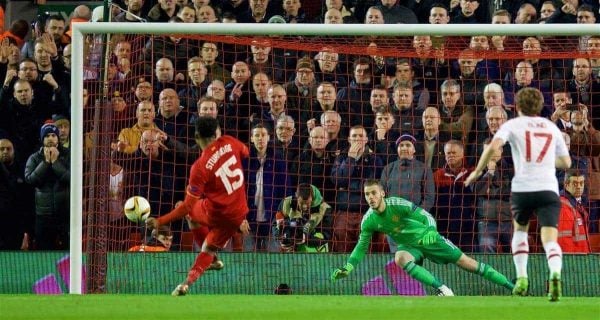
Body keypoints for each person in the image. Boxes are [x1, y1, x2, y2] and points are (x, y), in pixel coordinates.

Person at [465, 87, 572, 301]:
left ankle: (522, 277)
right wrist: (544, 161)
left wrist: (477, 171)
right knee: (550, 239)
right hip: (548, 188)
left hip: (523, 189)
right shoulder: (551, 127)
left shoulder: (512, 125)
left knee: (520, 232)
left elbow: (493, 146)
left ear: (518, 106)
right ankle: (555, 274)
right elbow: (567, 162)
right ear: (540, 106)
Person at [331, 179, 514, 296]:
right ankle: (443, 289)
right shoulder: (368, 220)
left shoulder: (397, 204)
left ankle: (511, 287)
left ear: (382, 193)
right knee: (400, 258)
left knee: (468, 264)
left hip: (430, 239)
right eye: (367, 194)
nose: (370, 197)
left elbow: (425, 216)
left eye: (373, 193)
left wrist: (431, 232)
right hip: (410, 247)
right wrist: (348, 266)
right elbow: (361, 247)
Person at [146, 117, 251, 296]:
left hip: (216, 213)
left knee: (192, 216)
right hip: (239, 212)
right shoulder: (230, 141)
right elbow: (246, 152)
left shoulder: (199, 167)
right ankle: (197, 273)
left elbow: (187, 206)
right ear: (216, 132)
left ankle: (193, 276)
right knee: (208, 249)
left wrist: (160, 220)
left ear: (196, 137)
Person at [273, 184, 332, 252]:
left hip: (315, 248)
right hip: (291, 249)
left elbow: (326, 235)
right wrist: (280, 236)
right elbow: (275, 224)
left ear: (312, 198)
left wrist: (306, 238)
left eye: (307, 203)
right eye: (301, 203)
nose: (304, 206)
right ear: (296, 196)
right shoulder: (286, 203)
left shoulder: (325, 209)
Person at [557, 170, 591, 253]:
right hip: (575, 262)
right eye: (575, 183)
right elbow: (563, 241)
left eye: (581, 183)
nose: (579, 187)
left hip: (583, 259)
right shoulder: (563, 206)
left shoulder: (577, 204)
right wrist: (571, 264)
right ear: (566, 185)